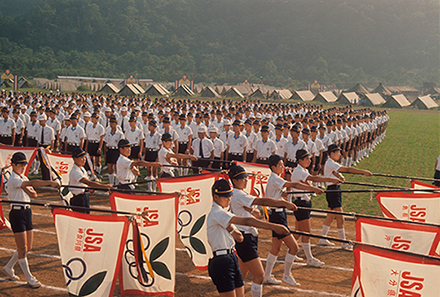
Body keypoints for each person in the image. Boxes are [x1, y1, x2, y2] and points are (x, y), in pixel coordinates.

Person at [207, 179, 290, 297]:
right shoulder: (217, 212)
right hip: (221, 261)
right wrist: (273, 226)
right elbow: (247, 221)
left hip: (231, 257)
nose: (229, 199)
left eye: (229, 196)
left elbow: (239, 238)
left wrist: (232, 229)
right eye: (225, 197)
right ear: (216, 197)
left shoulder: (224, 214)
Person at [228, 165, 301, 295]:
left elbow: (257, 213)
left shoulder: (239, 194)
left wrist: (252, 210)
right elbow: (262, 201)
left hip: (246, 237)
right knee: (259, 276)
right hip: (245, 238)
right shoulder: (238, 194)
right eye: (242, 178)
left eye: (246, 177)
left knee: (240, 277)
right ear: (234, 181)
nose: (246, 180)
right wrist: (283, 203)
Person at [262, 154, 325, 284]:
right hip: (278, 216)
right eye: (280, 165)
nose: (282, 167)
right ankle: (286, 275)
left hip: (277, 214)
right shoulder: (275, 179)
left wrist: (284, 196)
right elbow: (295, 184)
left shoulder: (276, 179)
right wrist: (313, 188)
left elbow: (281, 193)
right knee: (293, 247)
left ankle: (267, 274)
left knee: (276, 247)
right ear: (273, 167)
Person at [3, 152, 60, 288]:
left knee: (28, 247)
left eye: (24, 164)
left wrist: (26, 187)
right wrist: (49, 182)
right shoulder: (13, 179)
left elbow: (34, 194)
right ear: (13, 165)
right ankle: (29, 278)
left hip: (27, 212)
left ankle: (8, 267)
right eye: (20, 164)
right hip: (17, 213)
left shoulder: (23, 178)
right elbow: (33, 184)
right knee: (22, 247)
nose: (23, 166)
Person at [289, 150, 343, 267]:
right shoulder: (298, 171)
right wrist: (330, 180)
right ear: (300, 160)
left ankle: (291, 253)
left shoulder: (302, 170)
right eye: (307, 159)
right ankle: (309, 258)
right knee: (306, 232)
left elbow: (308, 183)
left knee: (298, 232)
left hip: (304, 202)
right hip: (301, 203)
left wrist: (314, 189)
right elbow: (313, 178)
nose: (309, 161)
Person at [318, 144, 373, 250]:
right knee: (340, 217)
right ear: (332, 153)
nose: (340, 154)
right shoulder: (330, 162)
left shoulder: (330, 162)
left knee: (330, 216)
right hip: (333, 191)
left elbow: (334, 172)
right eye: (338, 152)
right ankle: (343, 242)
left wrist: (339, 176)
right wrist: (363, 172)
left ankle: (322, 237)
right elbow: (347, 169)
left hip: (334, 190)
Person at [68, 148, 113, 213]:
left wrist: (90, 189)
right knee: (81, 218)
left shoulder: (82, 169)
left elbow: (87, 185)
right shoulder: (75, 171)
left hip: (84, 196)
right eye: (81, 158)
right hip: (78, 198)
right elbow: (88, 182)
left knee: (86, 216)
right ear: (75, 159)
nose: (84, 160)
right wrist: (105, 186)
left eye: (85, 158)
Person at [103, 116, 124, 185]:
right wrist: (105, 154)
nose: (111, 124)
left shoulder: (120, 134)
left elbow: (122, 145)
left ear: (116, 123)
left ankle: (117, 184)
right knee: (110, 168)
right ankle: (111, 183)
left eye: (113, 122)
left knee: (116, 168)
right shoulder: (108, 133)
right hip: (109, 150)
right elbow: (105, 143)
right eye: (110, 122)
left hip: (116, 150)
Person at [84, 113, 105, 177]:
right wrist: (86, 146)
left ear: (97, 119)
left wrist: (99, 148)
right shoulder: (89, 126)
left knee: (98, 160)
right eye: (92, 118)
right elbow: (88, 137)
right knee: (91, 158)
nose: (92, 119)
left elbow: (101, 139)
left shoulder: (100, 127)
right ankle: (93, 170)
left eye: (94, 118)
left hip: (97, 143)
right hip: (90, 143)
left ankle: (98, 172)